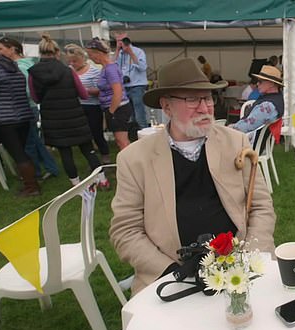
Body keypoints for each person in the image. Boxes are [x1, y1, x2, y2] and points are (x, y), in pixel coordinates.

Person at [109, 58, 276, 295]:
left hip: (238, 264)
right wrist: (172, 272)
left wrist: (250, 255)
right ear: (166, 107)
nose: (204, 108)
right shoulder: (135, 159)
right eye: (192, 99)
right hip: (172, 271)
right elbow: (125, 231)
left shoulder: (235, 142)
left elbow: (261, 206)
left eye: (207, 98)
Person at [28, 34, 110, 189]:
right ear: (57, 52)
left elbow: (35, 98)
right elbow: (83, 94)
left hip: (52, 118)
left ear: (40, 53)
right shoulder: (68, 71)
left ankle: (76, 184)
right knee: (88, 150)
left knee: (65, 153)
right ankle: (102, 179)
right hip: (74, 116)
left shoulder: (33, 73)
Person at [0, 36, 60, 180]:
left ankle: (34, 172)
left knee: (28, 143)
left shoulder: (20, 66)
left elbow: (27, 89)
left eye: (1, 49)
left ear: (12, 49)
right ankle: (51, 168)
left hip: (26, 108)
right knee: (34, 141)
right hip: (28, 108)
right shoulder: (24, 64)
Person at [0, 34, 40, 196]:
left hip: (4, 117)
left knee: (18, 154)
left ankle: (31, 187)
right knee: (22, 152)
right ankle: (30, 183)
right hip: (22, 113)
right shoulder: (9, 64)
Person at [64, 43, 111, 164]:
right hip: (77, 106)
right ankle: (92, 156)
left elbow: (101, 89)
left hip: (92, 106)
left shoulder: (94, 71)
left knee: (96, 132)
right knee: (84, 134)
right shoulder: (69, 71)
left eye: (75, 61)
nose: (73, 64)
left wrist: (86, 91)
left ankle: (105, 154)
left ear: (82, 58)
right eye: (70, 62)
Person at [85, 38, 132, 151]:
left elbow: (118, 91)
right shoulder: (107, 68)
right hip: (116, 107)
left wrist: (111, 111)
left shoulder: (110, 69)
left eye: (90, 54)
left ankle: (130, 165)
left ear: (99, 53)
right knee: (121, 141)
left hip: (118, 108)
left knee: (122, 142)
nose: (89, 57)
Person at [231, 65, 284, 134]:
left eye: (260, 81)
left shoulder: (267, 106)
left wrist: (228, 129)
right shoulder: (278, 98)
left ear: (271, 84)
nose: (257, 84)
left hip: (248, 141)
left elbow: (245, 127)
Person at [114, 33, 149, 129]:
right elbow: (111, 67)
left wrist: (131, 53)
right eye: (118, 41)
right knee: (129, 114)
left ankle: (144, 133)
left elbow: (143, 67)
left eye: (123, 41)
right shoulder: (119, 54)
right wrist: (117, 50)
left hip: (137, 85)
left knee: (139, 114)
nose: (121, 43)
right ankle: (134, 135)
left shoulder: (138, 51)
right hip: (124, 87)